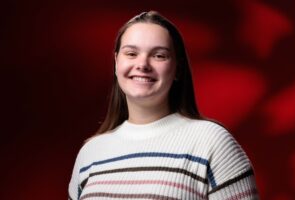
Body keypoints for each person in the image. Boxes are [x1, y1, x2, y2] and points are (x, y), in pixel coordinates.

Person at [68, 11, 258, 199]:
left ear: (177, 68)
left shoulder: (212, 142)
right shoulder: (90, 153)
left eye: (159, 55)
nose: (142, 64)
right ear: (116, 62)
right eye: (131, 53)